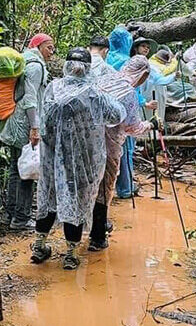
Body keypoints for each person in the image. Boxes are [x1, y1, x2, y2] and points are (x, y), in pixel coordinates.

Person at [31, 48, 126, 270]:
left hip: (52, 157)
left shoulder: (53, 88)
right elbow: (117, 114)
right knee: (76, 199)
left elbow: (44, 119)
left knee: (49, 197)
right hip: (84, 161)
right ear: (88, 69)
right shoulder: (94, 94)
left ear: (66, 67)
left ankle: (39, 245)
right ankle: (71, 254)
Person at [90, 56, 155, 250]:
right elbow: (132, 126)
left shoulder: (104, 80)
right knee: (104, 186)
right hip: (108, 144)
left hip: (87, 142)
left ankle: (89, 227)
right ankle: (98, 236)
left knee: (89, 184)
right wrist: (150, 124)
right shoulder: (128, 92)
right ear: (141, 74)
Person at [0, 33, 53, 230]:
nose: (52, 52)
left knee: (16, 169)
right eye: (49, 47)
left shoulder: (25, 61)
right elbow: (30, 98)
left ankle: (11, 215)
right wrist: (35, 127)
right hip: (24, 125)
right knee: (27, 171)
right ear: (38, 46)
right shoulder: (35, 66)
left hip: (15, 122)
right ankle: (21, 218)